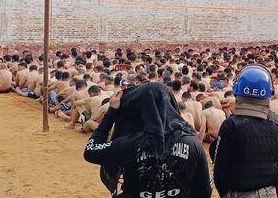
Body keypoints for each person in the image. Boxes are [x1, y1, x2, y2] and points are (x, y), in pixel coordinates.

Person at [83, 82, 211, 198]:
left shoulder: (130, 143)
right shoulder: (193, 142)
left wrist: (111, 114)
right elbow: (204, 191)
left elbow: (91, 150)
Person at [213, 65, 278, 198]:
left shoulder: (231, 124)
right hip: (270, 191)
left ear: (237, 92)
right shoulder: (276, 121)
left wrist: (226, 193)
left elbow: (220, 169)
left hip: (240, 192)